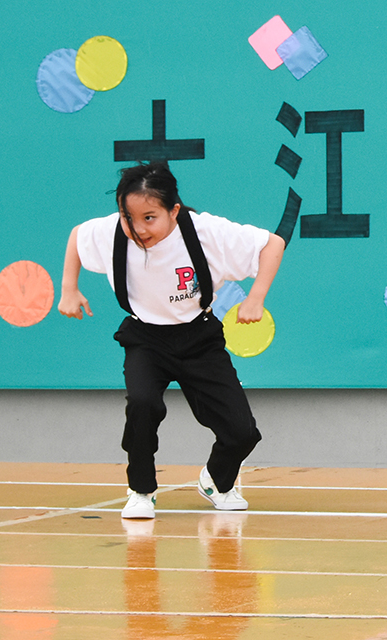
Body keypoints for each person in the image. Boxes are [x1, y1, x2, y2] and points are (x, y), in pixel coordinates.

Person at [58, 161, 286, 520]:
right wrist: (69, 288)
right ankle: (141, 491)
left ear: (174, 211)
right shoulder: (112, 233)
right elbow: (77, 237)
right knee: (142, 404)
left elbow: (273, 244)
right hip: (145, 338)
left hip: (199, 337)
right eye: (128, 217)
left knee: (242, 432)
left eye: (149, 218)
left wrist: (255, 298)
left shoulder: (207, 232)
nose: (138, 229)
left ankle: (216, 480)